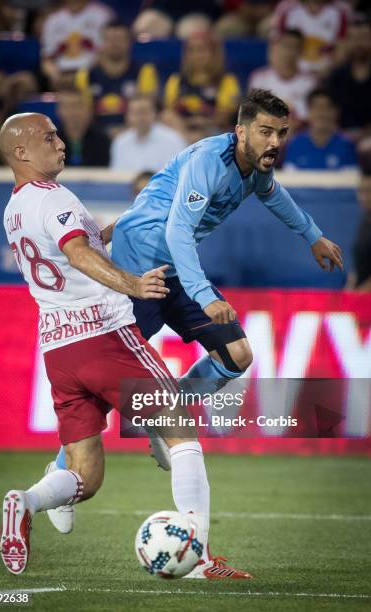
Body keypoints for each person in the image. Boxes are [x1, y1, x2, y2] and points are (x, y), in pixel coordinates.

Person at [53, 88, 343, 523]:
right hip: (140, 271)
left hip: (175, 270)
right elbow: (178, 233)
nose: (275, 142)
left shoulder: (256, 168)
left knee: (237, 354)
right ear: (240, 131)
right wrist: (205, 295)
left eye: (281, 133)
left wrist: (312, 234)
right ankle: (59, 474)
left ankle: (164, 418)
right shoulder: (210, 161)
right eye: (265, 132)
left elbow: (273, 194)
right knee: (107, 385)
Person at [0, 112, 251, 581]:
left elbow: (75, 246)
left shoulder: (14, 208)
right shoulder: (56, 199)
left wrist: (113, 229)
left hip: (58, 350)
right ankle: (201, 561)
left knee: (85, 477)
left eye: (58, 132)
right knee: (180, 434)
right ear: (21, 152)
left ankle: (27, 501)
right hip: (103, 335)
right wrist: (132, 284)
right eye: (47, 137)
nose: (60, 141)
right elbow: (77, 252)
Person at [76, 20, 159, 137]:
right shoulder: (85, 75)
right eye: (109, 39)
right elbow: (83, 115)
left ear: (129, 42)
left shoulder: (144, 71)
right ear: (101, 43)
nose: (114, 44)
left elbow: (147, 113)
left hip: (134, 135)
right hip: (97, 137)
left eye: (119, 39)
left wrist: (125, 133)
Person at [163, 32, 241, 133]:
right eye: (191, 51)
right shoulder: (176, 80)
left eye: (201, 50)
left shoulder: (227, 80)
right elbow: (169, 111)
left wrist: (205, 122)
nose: (196, 56)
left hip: (212, 130)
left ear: (214, 53)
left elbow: (225, 117)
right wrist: (187, 124)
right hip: (183, 130)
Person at [248, 29, 317, 127]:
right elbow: (254, 114)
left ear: (301, 52)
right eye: (286, 46)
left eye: (295, 47)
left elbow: (310, 116)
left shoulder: (310, 81)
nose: (290, 52)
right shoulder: (259, 78)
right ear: (275, 47)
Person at [41, 0, 114, 87]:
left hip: (93, 73)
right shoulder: (53, 20)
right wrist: (56, 77)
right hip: (62, 75)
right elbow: (47, 59)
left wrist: (85, 76)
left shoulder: (102, 15)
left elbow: (107, 52)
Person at [322, 16, 371, 143]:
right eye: (353, 38)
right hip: (338, 138)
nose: (358, 43)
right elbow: (326, 111)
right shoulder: (335, 77)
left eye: (364, 38)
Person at [283, 88, 358, 170]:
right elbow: (289, 180)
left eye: (327, 107)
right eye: (317, 107)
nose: (322, 113)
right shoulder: (295, 144)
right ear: (308, 112)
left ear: (336, 112)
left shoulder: (347, 144)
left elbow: (351, 180)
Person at [110, 94, 187, 172]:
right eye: (135, 113)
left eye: (144, 112)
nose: (140, 117)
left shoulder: (173, 140)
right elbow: (116, 176)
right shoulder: (120, 142)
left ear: (155, 114)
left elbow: (178, 175)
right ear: (127, 116)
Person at [272, 0, 351, 75]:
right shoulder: (289, 12)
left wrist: (330, 73)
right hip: (295, 73)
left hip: (327, 73)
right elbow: (277, 47)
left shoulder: (338, 13)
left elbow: (342, 49)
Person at [56, 86, 110, 166]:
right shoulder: (50, 143)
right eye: (67, 107)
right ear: (58, 111)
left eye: (77, 106)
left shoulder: (103, 141)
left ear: (89, 109)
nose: (72, 112)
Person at [346, 171, 371, 291]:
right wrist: (349, 291)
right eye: (361, 191)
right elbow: (357, 265)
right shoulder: (365, 220)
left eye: (369, 191)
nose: (364, 197)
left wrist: (361, 294)